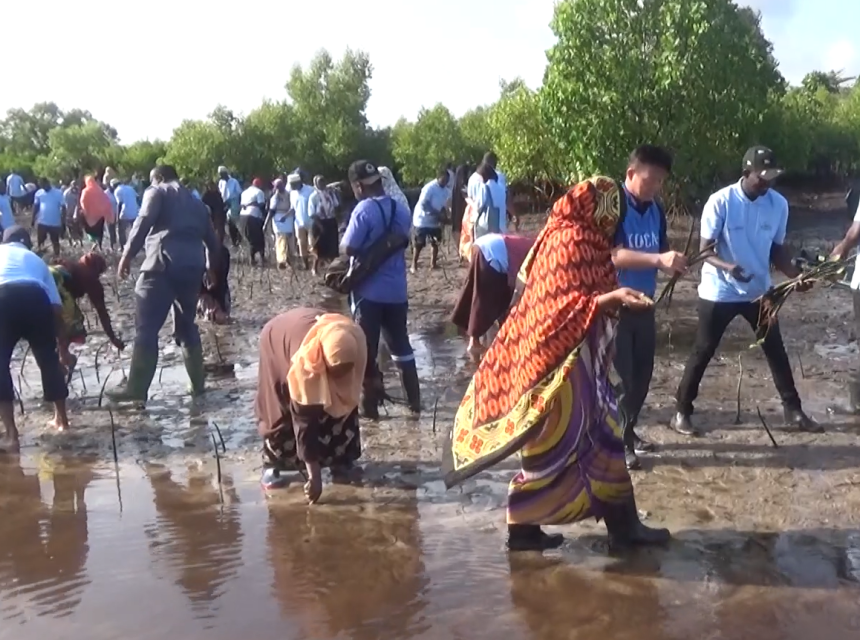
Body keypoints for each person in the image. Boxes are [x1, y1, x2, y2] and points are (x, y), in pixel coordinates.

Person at [442, 177, 671, 552]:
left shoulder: (570, 235)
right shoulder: (571, 241)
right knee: (572, 443)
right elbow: (559, 307)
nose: (614, 218)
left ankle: (562, 527)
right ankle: (591, 527)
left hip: (562, 356)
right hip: (559, 363)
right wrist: (610, 298)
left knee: (585, 440)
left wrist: (610, 298)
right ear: (595, 207)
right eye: (610, 208)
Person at [671, 146, 820, 436]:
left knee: (775, 348)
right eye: (761, 177)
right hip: (719, 290)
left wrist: (795, 275)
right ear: (746, 173)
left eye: (772, 177)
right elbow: (705, 252)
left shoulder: (778, 205)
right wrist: (727, 267)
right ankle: (681, 412)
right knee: (703, 350)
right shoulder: (721, 202)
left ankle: (794, 411)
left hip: (759, 291)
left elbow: (778, 250)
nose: (767, 183)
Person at [108, 165, 220, 403]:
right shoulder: (198, 204)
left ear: (157, 178)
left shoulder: (156, 192)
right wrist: (210, 268)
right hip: (192, 269)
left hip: (161, 265)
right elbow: (213, 242)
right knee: (187, 326)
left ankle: (136, 391)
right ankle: (197, 387)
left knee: (146, 328)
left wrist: (127, 255)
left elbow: (143, 222)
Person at [611, 145, 688, 470]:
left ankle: (628, 431)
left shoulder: (655, 208)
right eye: (651, 179)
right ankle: (620, 443)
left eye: (660, 181)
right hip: (614, 308)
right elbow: (614, 255)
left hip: (645, 306)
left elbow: (662, 250)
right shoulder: (613, 206)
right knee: (621, 380)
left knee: (642, 379)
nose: (656, 186)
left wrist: (674, 263)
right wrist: (658, 259)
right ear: (631, 174)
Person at [256, 308, 367, 502]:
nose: (338, 380)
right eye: (334, 373)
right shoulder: (306, 364)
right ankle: (273, 465)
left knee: (343, 401)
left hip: (315, 330)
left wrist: (373, 384)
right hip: (278, 339)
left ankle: (341, 461)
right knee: (280, 408)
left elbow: (367, 367)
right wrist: (314, 477)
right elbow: (304, 422)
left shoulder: (354, 338)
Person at [342, 160, 419, 418]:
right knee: (401, 346)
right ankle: (415, 404)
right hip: (397, 292)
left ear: (358, 187)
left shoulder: (363, 210)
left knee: (366, 350)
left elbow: (349, 248)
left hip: (368, 294)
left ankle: (369, 409)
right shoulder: (400, 209)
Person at [0, 226, 72, 449]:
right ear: (27, 244)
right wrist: (63, 351)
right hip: (35, 296)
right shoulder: (36, 260)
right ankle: (62, 420)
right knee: (48, 361)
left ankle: (11, 434)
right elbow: (56, 310)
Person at [450, 232, 534, 353]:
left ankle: (476, 342)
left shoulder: (532, 243)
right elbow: (519, 283)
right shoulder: (538, 252)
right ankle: (487, 343)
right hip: (494, 252)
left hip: (483, 244)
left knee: (477, 293)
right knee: (491, 298)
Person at [51, 252, 124, 351]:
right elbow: (102, 312)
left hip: (43, 282)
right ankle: (64, 356)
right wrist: (112, 338)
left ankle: (58, 353)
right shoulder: (90, 277)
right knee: (76, 328)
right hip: (57, 291)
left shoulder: (71, 266)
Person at [411, 168, 449, 273]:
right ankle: (414, 264)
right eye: (443, 180)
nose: (445, 183)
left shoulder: (446, 191)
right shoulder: (429, 188)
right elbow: (424, 204)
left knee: (435, 242)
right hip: (422, 219)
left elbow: (444, 206)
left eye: (447, 181)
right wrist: (437, 214)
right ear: (438, 178)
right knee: (419, 243)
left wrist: (443, 216)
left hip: (435, 221)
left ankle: (433, 264)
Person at [308, 175, 339, 276]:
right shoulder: (314, 196)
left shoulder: (330, 193)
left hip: (330, 221)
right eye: (320, 182)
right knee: (319, 248)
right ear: (316, 183)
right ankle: (314, 269)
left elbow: (336, 205)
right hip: (319, 223)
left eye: (323, 181)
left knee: (332, 247)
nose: (322, 184)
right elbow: (312, 214)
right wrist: (320, 226)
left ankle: (332, 269)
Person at [199, 240, 231, 324]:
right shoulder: (196, 257)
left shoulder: (223, 253)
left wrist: (220, 307)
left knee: (222, 318)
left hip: (219, 288)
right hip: (200, 292)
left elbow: (222, 286)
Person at [78, 175, 114, 250]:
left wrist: (85, 211)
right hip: (100, 215)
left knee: (90, 230)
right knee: (99, 231)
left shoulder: (85, 191)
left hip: (90, 216)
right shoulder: (99, 190)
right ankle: (99, 245)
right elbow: (106, 201)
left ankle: (94, 242)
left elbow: (83, 201)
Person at [33, 178, 66, 256]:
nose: (43, 187)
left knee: (55, 241)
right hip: (42, 222)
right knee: (40, 241)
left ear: (48, 183)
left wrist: (63, 221)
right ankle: (40, 257)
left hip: (55, 222)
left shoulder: (58, 193)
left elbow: (63, 207)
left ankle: (57, 258)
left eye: (44, 184)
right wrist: (33, 219)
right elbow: (36, 207)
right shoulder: (38, 193)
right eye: (41, 185)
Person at [268, 178, 296, 269]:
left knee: (289, 239)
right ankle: (281, 260)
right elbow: (271, 210)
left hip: (288, 216)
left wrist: (286, 216)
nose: (278, 188)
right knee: (280, 238)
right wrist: (266, 223)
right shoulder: (274, 197)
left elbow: (292, 207)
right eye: (277, 187)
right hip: (278, 218)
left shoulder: (289, 194)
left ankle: (289, 259)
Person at [474, 162, 506, 239]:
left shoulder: (484, 187)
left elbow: (479, 207)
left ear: (484, 176)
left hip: (487, 227)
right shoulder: (501, 187)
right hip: (501, 226)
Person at [240, 177, 267, 264]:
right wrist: (265, 217)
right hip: (253, 216)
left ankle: (252, 258)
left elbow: (241, 204)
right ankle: (262, 258)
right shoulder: (259, 192)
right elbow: (261, 205)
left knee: (249, 238)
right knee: (259, 237)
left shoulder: (244, 192)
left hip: (242, 216)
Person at [289, 173, 313, 269]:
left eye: (292, 185)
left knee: (312, 243)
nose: (291, 187)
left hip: (311, 222)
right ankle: (305, 264)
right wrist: (286, 216)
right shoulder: (292, 193)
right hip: (299, 223)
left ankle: (316, 264)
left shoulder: (310, 190)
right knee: (301, 243)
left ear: (298, 183)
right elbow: (293, 208)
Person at [218, 166, 242, 247]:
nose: (220, 176)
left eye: (221, 174)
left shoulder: (234, 181)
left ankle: (238, 238)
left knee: (233, 221)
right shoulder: (221, 182)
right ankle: (233, 240)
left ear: (225, 173)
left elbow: (239, 193)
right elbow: (220, 193)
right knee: (226, 223)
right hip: (224, 202)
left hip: (233, 202)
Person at [114, 178, 140, 249]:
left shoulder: (117, 191)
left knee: (121, 230)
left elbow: (119, 204)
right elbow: (137, 197)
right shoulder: (130, 188)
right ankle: (136, 245)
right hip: (135, 212)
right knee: (134, 229)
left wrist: (117, 218)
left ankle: (122, 246)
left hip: (125, 213)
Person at [62, 180, 84, 246]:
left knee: (78, 228)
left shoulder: (79, 193)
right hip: (69, 213)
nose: (74, 186)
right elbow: (64, 204)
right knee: (70, 228)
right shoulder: (66, 193)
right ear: (71, 185)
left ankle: (80, 241)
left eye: (76, 185)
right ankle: (72, 242)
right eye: (73, 185)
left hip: (77, 214)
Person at [105, 180, 120, 250]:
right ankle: (111, 246)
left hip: (117, 213)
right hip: (109, 214)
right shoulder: (106, 193)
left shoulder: (117, 192)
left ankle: (117, 244)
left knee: (117, 230)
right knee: (111, 230)